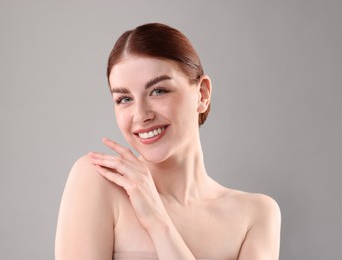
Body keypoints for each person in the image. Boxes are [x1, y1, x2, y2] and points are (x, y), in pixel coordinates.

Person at [55, 23, 281, 260]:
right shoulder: (99, 181)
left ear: (202, 94)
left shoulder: (255, 215)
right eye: (124, 99)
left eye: (158, 91)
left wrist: (157, 221)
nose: (141, 115)